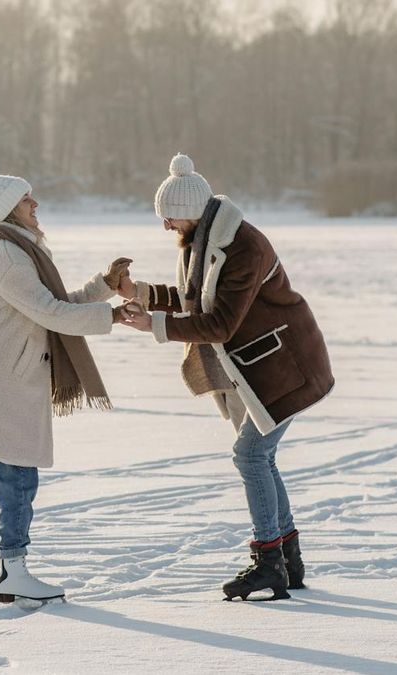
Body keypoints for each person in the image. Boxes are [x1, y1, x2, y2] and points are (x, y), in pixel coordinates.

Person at [119, 154, 334, 601]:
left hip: (286, 368)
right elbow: (194, 299)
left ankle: (269, 562)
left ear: (190, 211)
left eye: (169, 217)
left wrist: (155, 326)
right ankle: (287, 560)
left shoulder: (243, 248)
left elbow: (219, 324)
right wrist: (140, 293)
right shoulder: (203, 242)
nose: (166, 226)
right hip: (261, 368)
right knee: (261, 458)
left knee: (250, 456)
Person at [0, 165, 135, 604]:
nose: (35, 204)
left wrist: (104, 287)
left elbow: (52, 304)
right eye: (25, 200)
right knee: (15, 478)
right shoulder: (9, 257)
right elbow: (52, 314)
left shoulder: (19, 252)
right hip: (2, 381)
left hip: (3, 376)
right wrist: (112, 315)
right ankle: (12, 571)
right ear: (7, 211)